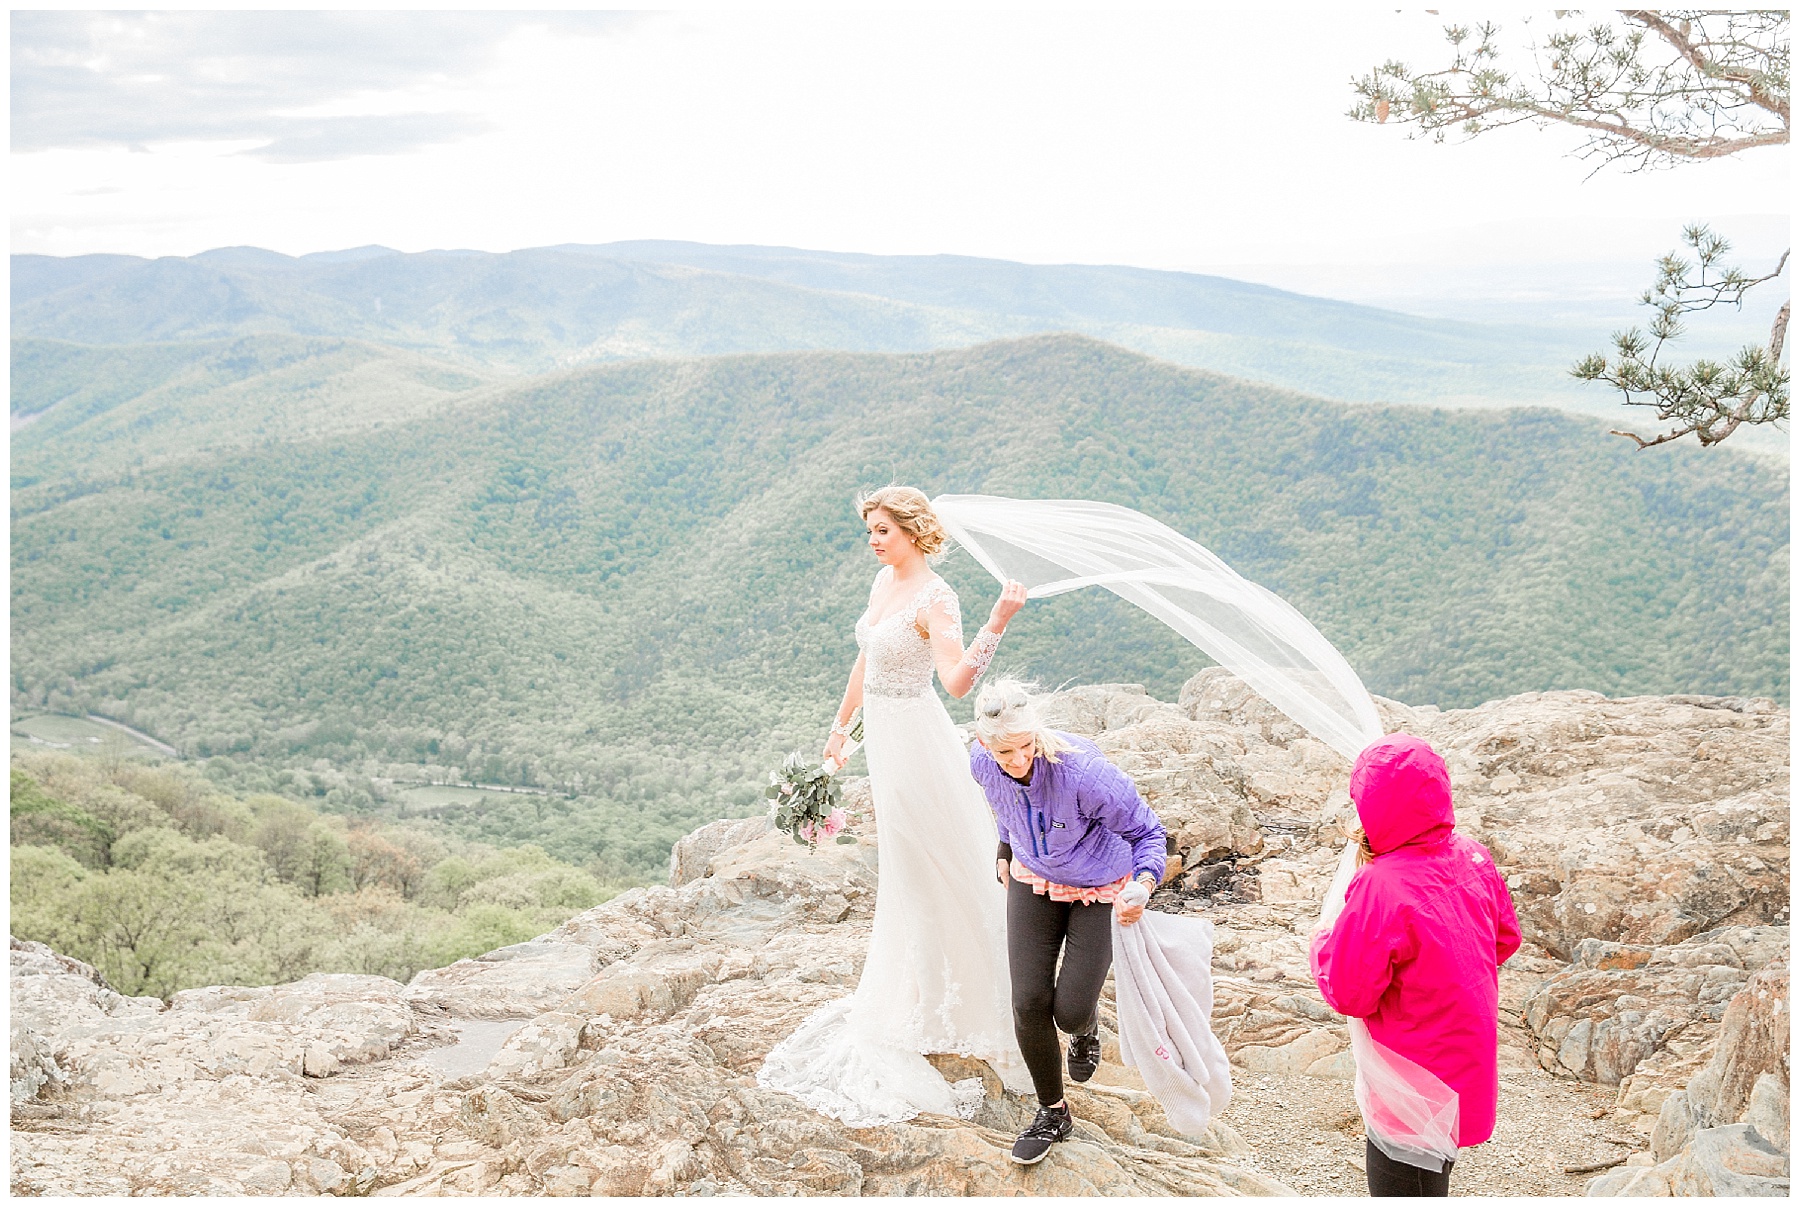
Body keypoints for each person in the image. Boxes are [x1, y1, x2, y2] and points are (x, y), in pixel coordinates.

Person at [757, 486, 1032, 1125]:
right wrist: (839, 729)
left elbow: (957, 682)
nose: (874, 541)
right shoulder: (884, 583)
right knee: (906, 871)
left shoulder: (938, 597)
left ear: (913, 531)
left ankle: (972, 995)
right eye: (870, 531)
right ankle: (920, 986)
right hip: (882, 738)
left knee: (930, 862)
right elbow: (866, 660)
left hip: (916, 740)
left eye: (883, 530)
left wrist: (997, 621)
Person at [1310, 733, 1521, 1197]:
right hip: (1464, 1051)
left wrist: (1322, 943)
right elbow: (1505, 938)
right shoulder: (1472, 855)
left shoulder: (1381, 886)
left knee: (1407, 1185)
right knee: (1433, 1174)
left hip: (1410, 1073)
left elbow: (1349, 992)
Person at [966, 679, 1167, 1166]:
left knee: (1070, 1011)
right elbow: (1005, 805)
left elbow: (1148, 832)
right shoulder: (981, 762)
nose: (1018, 760)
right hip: (1034, 878)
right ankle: (1052, 1112)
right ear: (986, 745)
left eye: (1026, 746)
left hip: (1100, 883)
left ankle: (1085, 1028)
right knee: (1028, 1001)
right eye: (1005, 752)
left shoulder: (1083, 774)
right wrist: (1005, 847)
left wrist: (1143, 884)